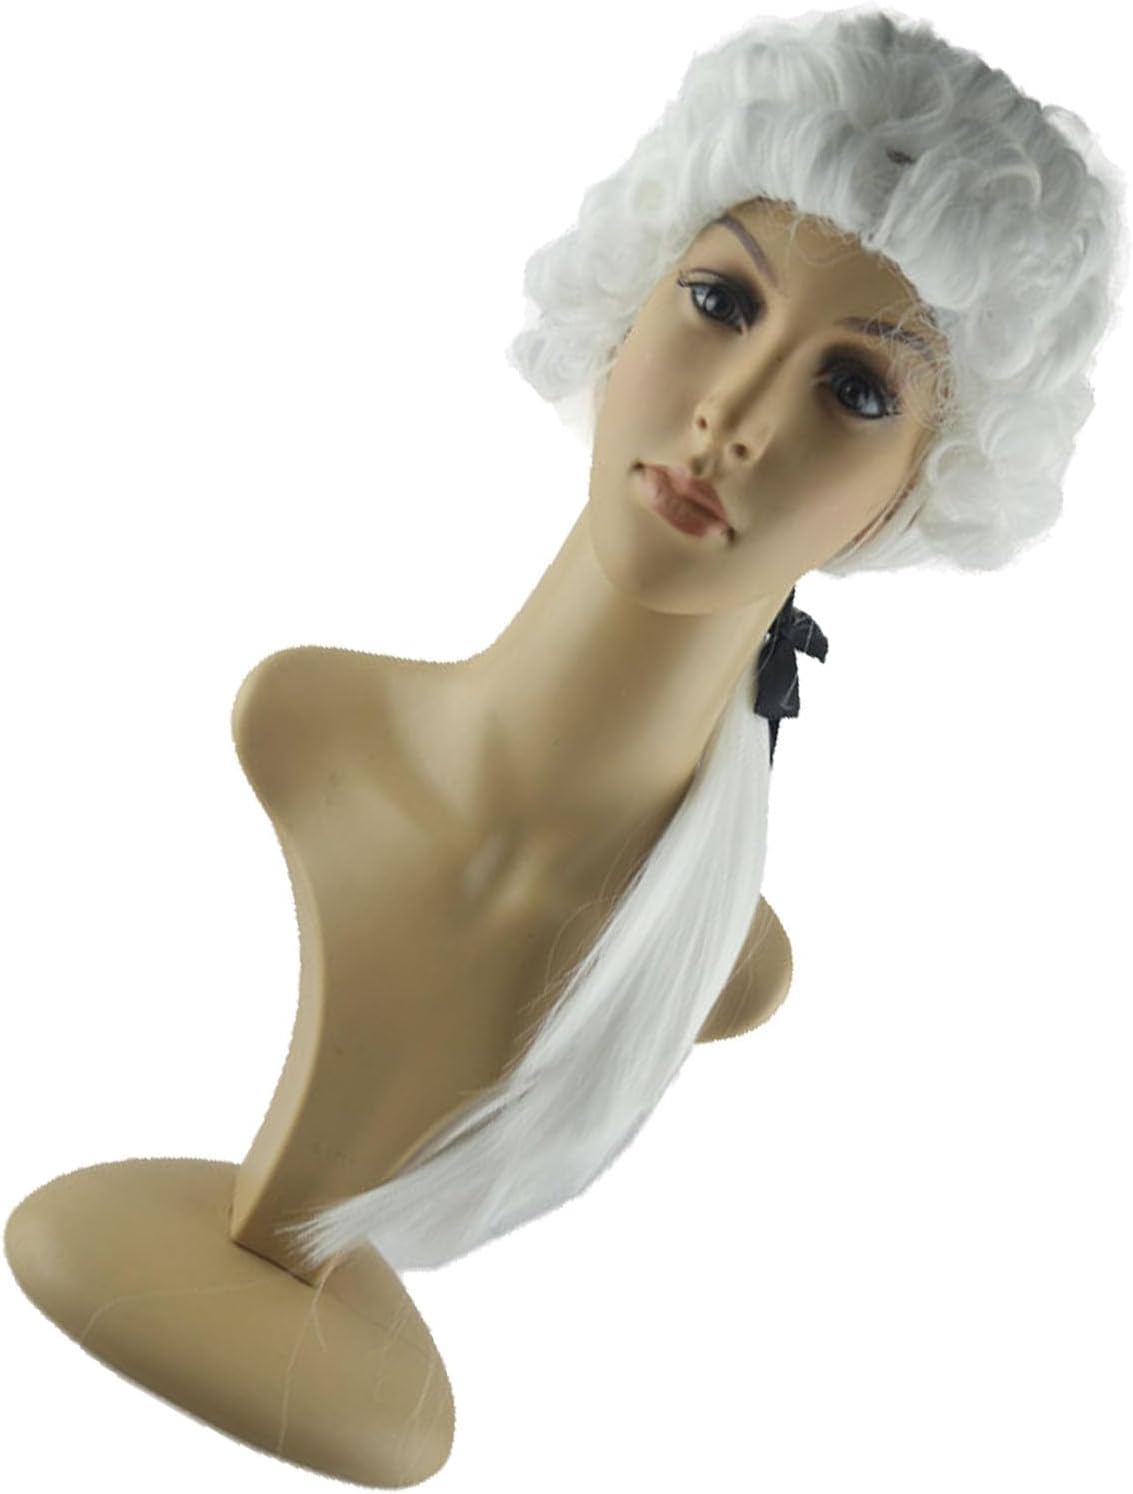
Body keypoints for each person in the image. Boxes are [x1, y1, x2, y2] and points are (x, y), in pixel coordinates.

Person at [5, 8, 1126, 1486]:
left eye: (855, 389)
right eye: (720, 300)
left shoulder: (712, 959)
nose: (731, 414)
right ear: (625, 300)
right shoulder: (307, 722)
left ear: (920, 493)